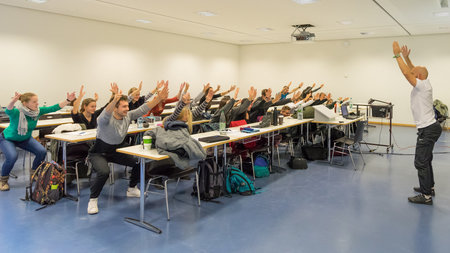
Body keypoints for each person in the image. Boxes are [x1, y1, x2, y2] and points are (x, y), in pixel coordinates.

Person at [87, 81, 169, 214]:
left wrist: (158, 98)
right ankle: (93, 200)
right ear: (115, 108)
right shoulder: (105, 120)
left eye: (127, 106)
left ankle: (131, 188)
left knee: (138, 160)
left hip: (118, 149)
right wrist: (114, 99)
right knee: (104, 172)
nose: (127, 108)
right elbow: (106, 112)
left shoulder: (128, 116)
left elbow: (144, 108)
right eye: (124, 106)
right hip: (99, 152)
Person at [393, 41, 442, 205]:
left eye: (414, 72)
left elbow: (407, 74)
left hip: (427, 129)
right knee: (426, 160)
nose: (411, 71)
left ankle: (426, 196)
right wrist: (408, 58)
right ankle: (430, 188)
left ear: (419, 77)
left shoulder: (421, 85)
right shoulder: (424, 82)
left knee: (420, 162)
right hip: (430, 128)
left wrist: (397, 56)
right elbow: (413, 70)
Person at [0, 91, 76, 191]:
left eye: (37, 101)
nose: (37, 104)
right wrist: (13, 101)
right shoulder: (17, 112)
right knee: (12, 156)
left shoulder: (37, 111)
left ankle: (34, 173)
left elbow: (54, 107)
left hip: (25, 139)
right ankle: (3, 180)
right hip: (8, 139)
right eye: (34, 102)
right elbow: (8, 110)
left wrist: (68, 100)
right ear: (25, 104)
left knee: (42, 151)